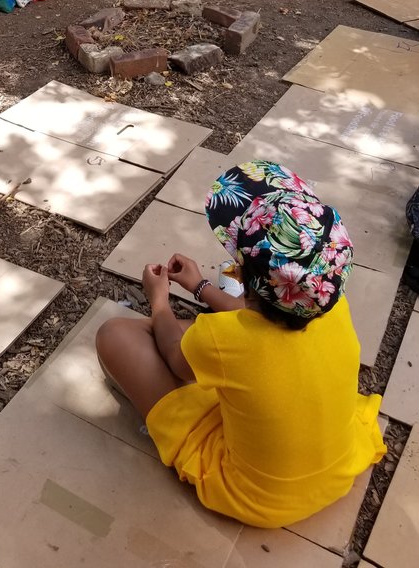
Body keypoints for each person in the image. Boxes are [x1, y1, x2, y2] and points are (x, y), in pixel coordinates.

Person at [95, 160, 385, 529]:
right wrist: (200, 286)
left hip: (257, 497)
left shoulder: (224, 338)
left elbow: (175, 358)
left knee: (115, 336)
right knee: (217, 352)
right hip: (340, 467)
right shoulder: (331, 304)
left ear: (244, 276)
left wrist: (159, 300)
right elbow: (259, 319)